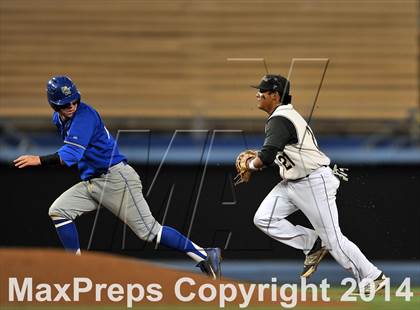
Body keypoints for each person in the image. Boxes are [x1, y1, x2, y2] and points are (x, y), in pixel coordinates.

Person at [13, 76, 221, 279]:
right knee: (59, 211)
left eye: (74, 100)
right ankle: (75, 268)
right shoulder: (59, 118)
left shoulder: (84, 116)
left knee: (149, 231)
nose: (71, 106)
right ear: (54, 105)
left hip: (115, 179)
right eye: (65, 103)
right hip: (93, 181)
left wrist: (38, 160)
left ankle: (205, 254)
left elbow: (71, 156)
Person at [243, 74, 386, 294]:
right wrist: (259, 159)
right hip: (293, 183)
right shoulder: (282, 117)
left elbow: (268, 156)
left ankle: (373, 277)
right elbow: (274, 152)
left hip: (313, 182)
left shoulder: (280, 118)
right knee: (264, 218)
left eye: (262, 91)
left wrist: (252, 165)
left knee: (334, 240)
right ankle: (312, 243)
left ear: (275, 95)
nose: (258, 94)